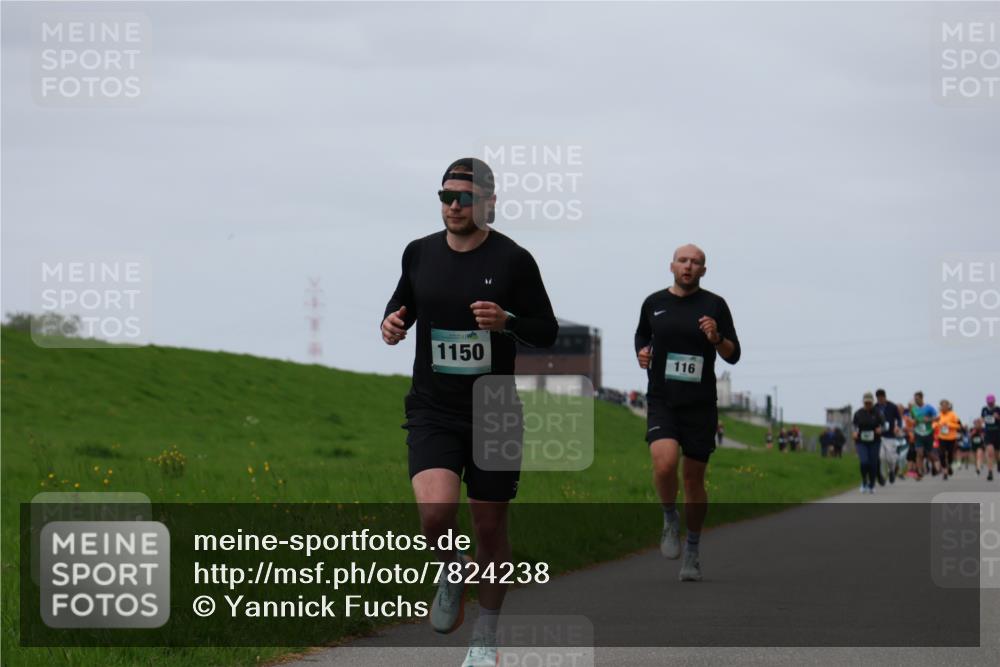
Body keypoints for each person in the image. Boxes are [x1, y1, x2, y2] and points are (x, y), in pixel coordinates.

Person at [382, 157, 558, 667]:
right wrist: (392, 325)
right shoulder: (418, 254)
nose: (452, 206)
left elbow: (545, 329)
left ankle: (485, 635)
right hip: (434, 408)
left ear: (488, 203)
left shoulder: (514, 260)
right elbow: (401, 307)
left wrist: (507, 321)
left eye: (462, 197)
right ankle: (452, 569)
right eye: (445, 196)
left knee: (489, 528)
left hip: (495, 410)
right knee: (436, 514)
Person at [635, 243, 741, 582]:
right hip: (663, 399)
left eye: (696, 263)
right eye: (683, 260)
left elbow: (733, 354)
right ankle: (669, 518)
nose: (689, 266)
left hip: (699, 405)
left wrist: (716, 337)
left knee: (693, 480)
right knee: (664, 462)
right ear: (672, 266)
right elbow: (642, 336)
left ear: (703, 271)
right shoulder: (654, 303)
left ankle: (692, 550)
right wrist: (642, 352)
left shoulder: (714, 305)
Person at [853, 392, 883, 494]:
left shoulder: (878, 413)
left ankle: (872, 484)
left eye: (870, 403)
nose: (868, 405)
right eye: (866, 403)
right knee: (864, 462)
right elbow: (855, 426)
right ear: (863, 402)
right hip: (861, 441)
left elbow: (884, 425)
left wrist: (881, 429)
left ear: (872, 402)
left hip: (875, 441)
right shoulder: (858, 413)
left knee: (873, 463)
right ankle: (864, 481)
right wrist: (854, 432)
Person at [874, 389, 905, 484]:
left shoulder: (892, 406)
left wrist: (898, 427)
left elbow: (899, 419)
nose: (880, 400)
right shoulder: (875, 407)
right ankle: (883, 475)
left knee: (890, 458)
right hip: (879, 436)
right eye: (878, 398)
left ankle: (891, 471)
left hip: (890, 436)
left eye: (881, 398)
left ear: (884, 397)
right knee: (881, 457)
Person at [909, 392, 938, 478]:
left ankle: (934, 465)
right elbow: (913, 419)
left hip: (928, 433)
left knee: (929, 454)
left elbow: (937, 418)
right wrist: (914, 422)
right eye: (915, 399)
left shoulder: (929, 408)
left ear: (922, 398)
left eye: (917, 399)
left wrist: (928, 419)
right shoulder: (913, 409)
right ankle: (919, 471)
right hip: (918, 433)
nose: (916, 401)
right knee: (919, 453)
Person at [934, 399, 962, 480]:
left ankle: (949, 465)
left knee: (950, 455)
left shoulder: (953, 415)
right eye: (942, 406)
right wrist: (937, 424)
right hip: (942, 437)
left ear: (948, 407)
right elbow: (934, 424)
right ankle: (945, 472)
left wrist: (949, 424)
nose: (944, 407)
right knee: (941, 454)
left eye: (945, 406)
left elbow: (959, 425)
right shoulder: (939, 415)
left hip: (951, 438)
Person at [982, 394, 999, 482]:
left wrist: (998, 417)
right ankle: (990, 472)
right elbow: (982, 419)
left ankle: (998, 463)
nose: (990, 404)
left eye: (992, 403)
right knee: (990, 453)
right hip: (988, 434)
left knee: (997, 454)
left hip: (997, 434)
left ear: (994, 402)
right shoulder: (984, 409)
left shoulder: (998, 409)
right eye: (989, 403)